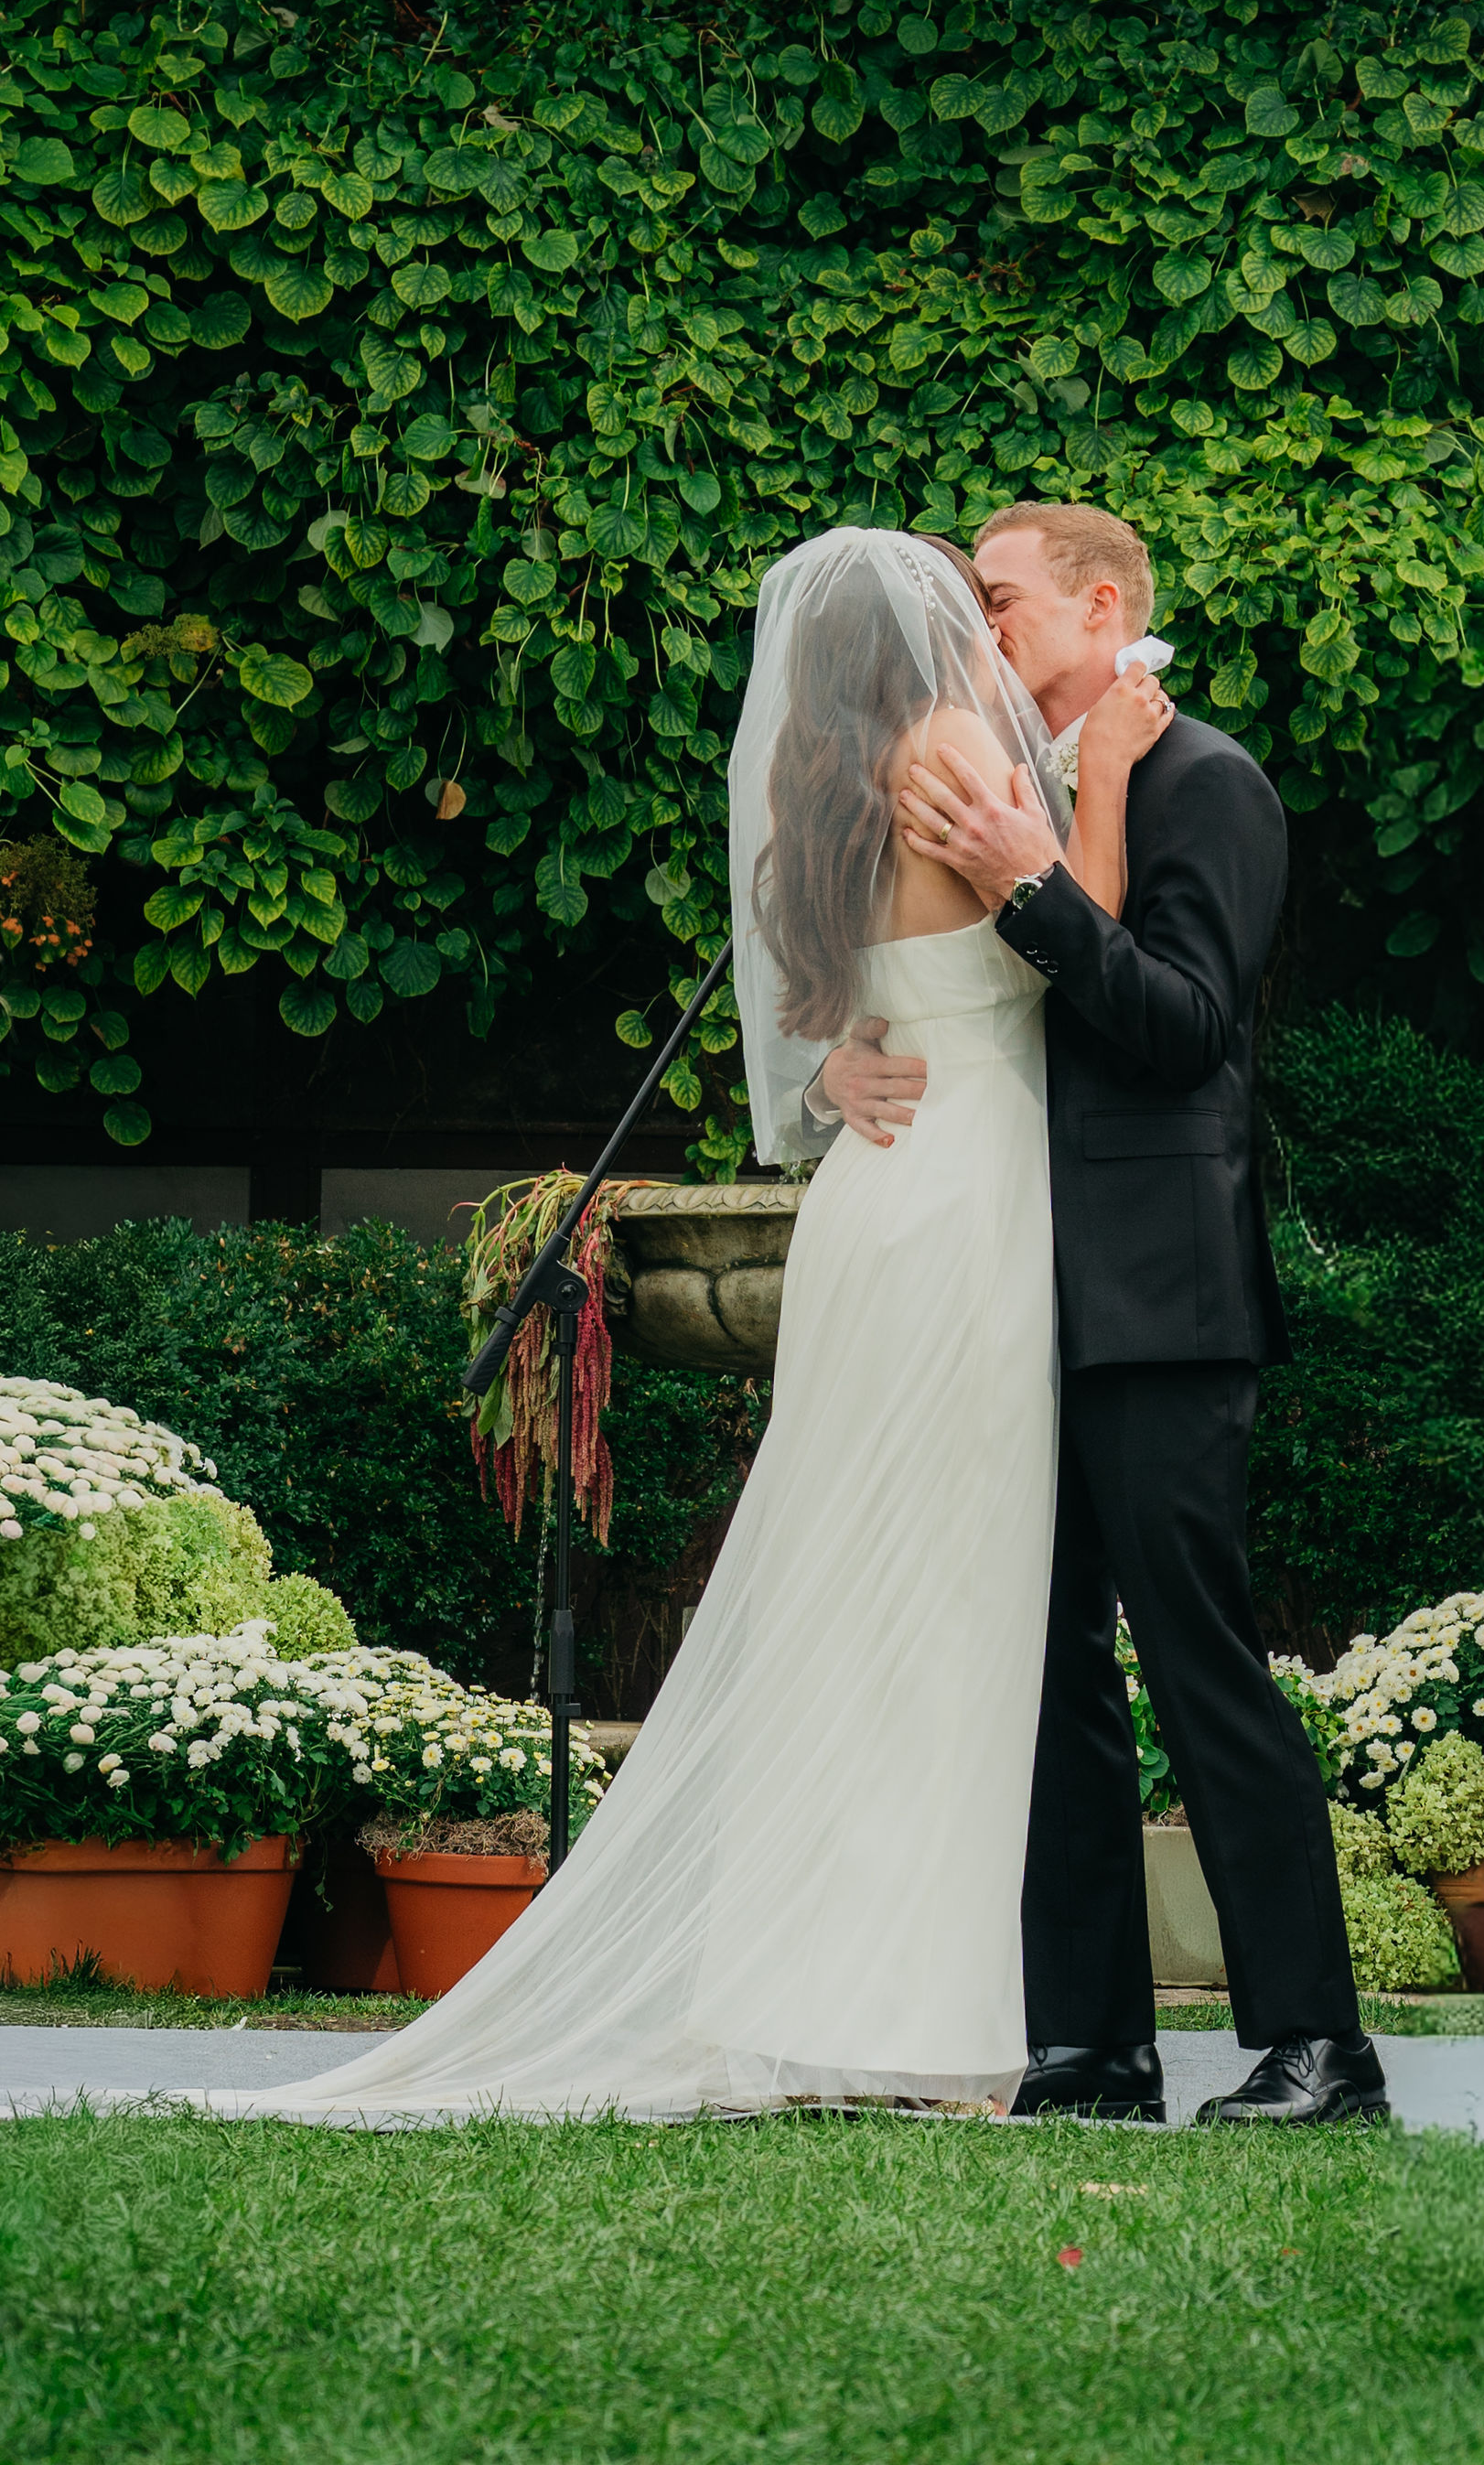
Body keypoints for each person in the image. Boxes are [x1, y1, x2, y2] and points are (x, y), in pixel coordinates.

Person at [208, 524, 1164, 2122]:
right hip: (967, 1205)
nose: (987, 634)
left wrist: (849, 1057)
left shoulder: (819, 776)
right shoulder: (952, 740)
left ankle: (834, 2004)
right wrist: (1113, 767)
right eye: (968, 603)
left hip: (877, 1195)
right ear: (925, 633)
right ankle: (911, 2021)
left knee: (855, 1604)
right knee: (945, 1610)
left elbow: (818, 1012)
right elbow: (1088, 935)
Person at [817, 501, 1386, 2128]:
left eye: (1002, 598)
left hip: (1156, 1305)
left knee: (1201, 1664)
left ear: (1105, 606)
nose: (980, 623)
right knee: (1046, 1675)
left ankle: (1319, 2046)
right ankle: (1088, 2050)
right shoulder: (1008, 784)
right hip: (1005, 1293)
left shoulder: (1207, 780)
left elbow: (1186, 1029)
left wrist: (1034, 886)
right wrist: (846, 1055)